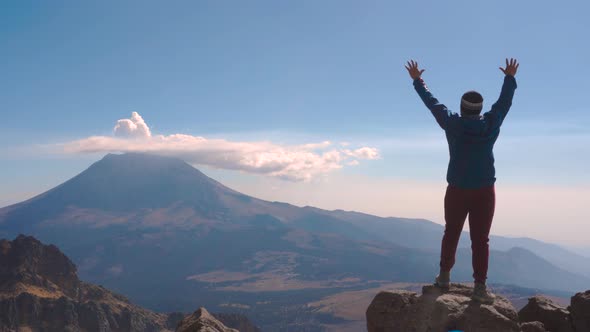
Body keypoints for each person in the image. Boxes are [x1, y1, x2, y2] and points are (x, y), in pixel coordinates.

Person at [405, 58, 518, 303]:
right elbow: (504, 104)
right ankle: (479, 287)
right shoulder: (490, 125)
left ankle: (444, 277)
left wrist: (417, 80)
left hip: (456, 189)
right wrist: (509, 78)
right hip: (485, 191)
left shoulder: (452, 124)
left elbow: (432, 104)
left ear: (462, 107)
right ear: (479, 109)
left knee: (451, 232)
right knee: (481, 239)